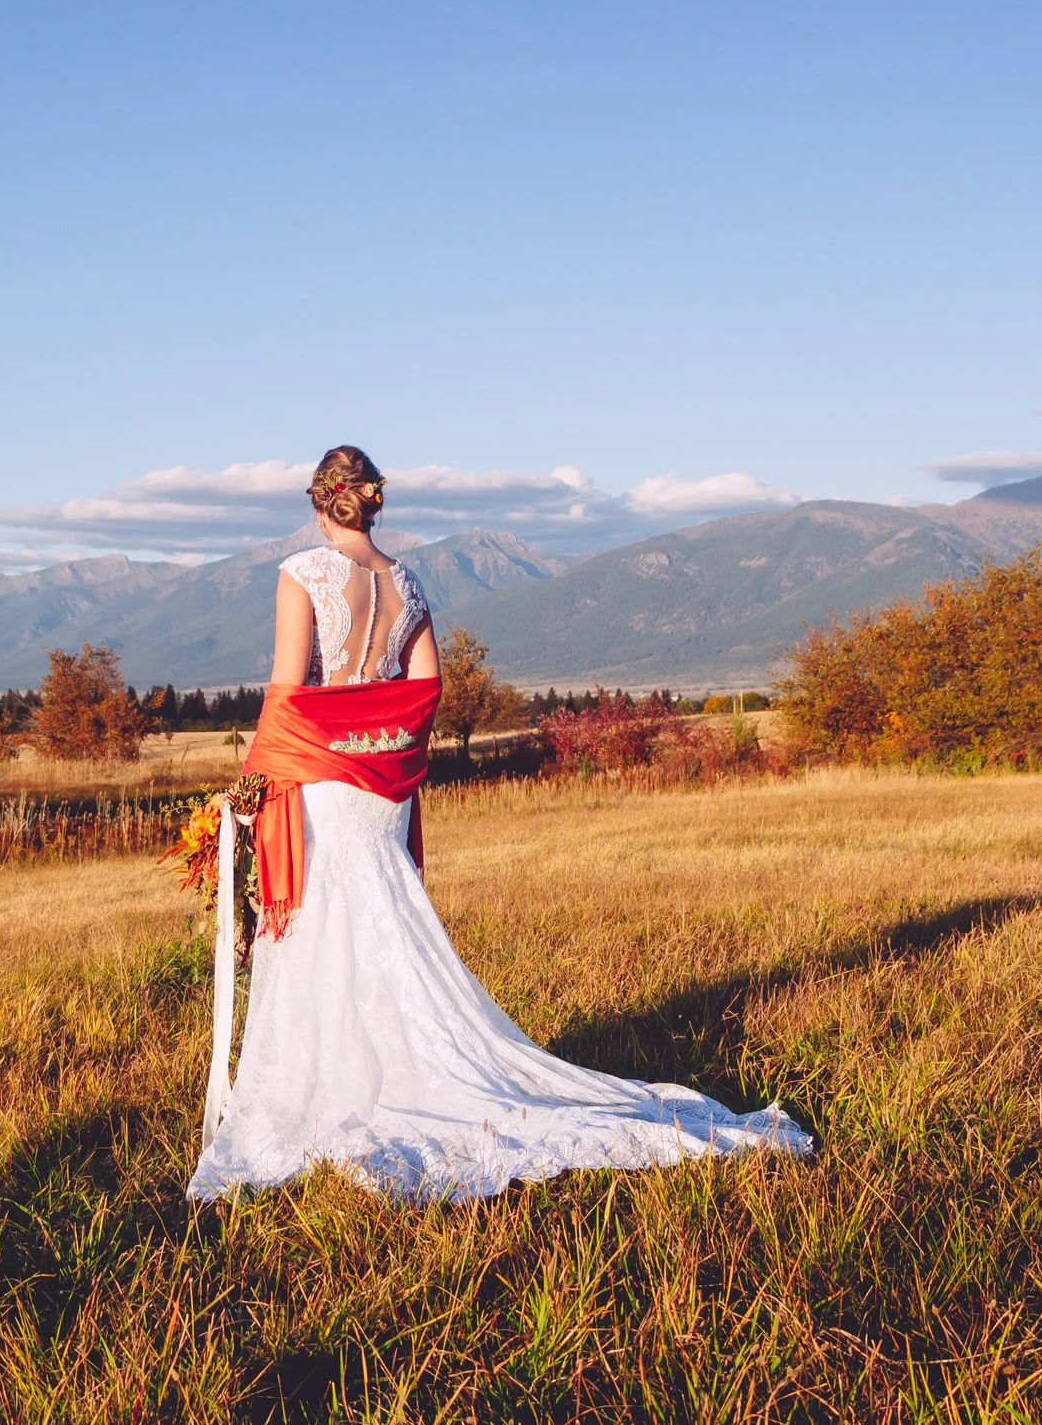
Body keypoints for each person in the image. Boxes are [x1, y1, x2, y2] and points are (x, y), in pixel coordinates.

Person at [186, 445, 811, 1203]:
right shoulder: (406, 582)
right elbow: (427, 689)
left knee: (325, 928)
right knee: (382, 922)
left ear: (320, 503)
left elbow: (287, 693)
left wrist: (251, 782)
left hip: (319, 779)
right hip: (384, 789)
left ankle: (335, 1089)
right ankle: (391, 1069)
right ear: (371, 501)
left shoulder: (302, 575)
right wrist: (385, 752)